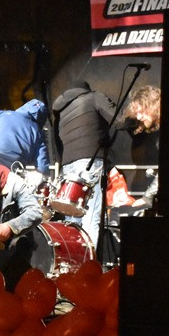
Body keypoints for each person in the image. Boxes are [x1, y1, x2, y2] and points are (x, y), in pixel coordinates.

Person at [51, 80, 118, 247]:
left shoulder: (61, 110)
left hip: (67, 166)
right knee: (90, 219)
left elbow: (55, 143)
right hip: (90, 162)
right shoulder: (94, 97)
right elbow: (119, 120)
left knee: (72, 220)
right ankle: (89, 267)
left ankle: (73, 265)